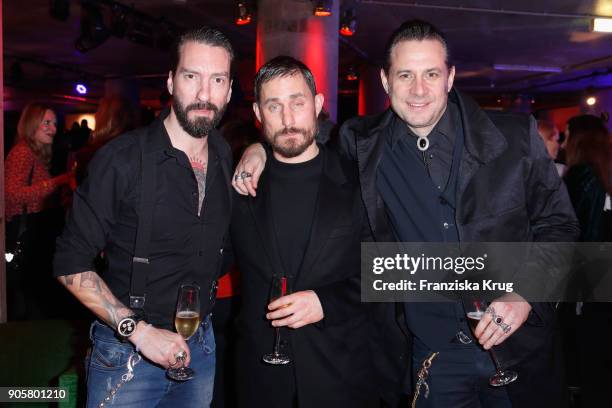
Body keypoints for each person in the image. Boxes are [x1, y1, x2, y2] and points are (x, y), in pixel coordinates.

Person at [233, 20, 579, 408]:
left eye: (431, 73)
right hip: (431, 360)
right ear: (384, 81)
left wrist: (525, 294)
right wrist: (256, 149)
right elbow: (296, 138)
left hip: (519, 351)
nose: (418, 90)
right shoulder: (362, 144)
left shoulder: (515, 137)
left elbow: (562, 226)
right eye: (405, 75)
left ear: (450, 77)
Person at [53, 27, 235, 407]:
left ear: (230, 89)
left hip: (200, 347)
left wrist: (260, 154)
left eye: (217, 79)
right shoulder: (121, 160)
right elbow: (70, 262)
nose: (205, 94)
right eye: (191, 76)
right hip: (128, 354)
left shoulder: (224, 155)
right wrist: (137, 331)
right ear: (170, 81)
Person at [228, 56, 375, 407]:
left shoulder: (360, 181)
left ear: (318, 105)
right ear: (258, 113)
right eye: (274, 106)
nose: (289, 119)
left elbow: (384, 268)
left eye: (298, 103)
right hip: (260, 382)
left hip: (340, 377)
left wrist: (327, 301)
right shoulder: (239, 186)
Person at [5, 102, 74, 319]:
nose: (53, 128)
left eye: (54, 123)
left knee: (28, 292)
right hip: (23, 229)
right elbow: (12, 194)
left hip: (32, 228)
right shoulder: (23, 153)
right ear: (31, 124)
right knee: (25, 292)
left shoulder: (34, 153)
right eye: (46, 122)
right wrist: (57, 182)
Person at [562, 114, 611, 408]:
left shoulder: (583, 175)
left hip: (590, 276)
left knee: (588, 353)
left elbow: (584, 233)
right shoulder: (602, 171)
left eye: (566, 135)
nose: (563, 143)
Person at [71, 95, 138, 184]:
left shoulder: (90, 155)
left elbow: (82, 190)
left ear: (105, 118)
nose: (95, 115)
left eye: (98, 110)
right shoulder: (137, 148)